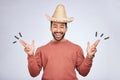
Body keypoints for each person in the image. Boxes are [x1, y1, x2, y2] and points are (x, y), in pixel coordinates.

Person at [19, 4, 100, 80]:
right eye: (55, 26)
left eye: (61, 27)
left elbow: (83, 73)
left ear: (66, 29)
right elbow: (34, 74)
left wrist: (89, 57)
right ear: (50, 28)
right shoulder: (41, 50)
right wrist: (30, 55)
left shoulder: (76, 49)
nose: (58, 30)